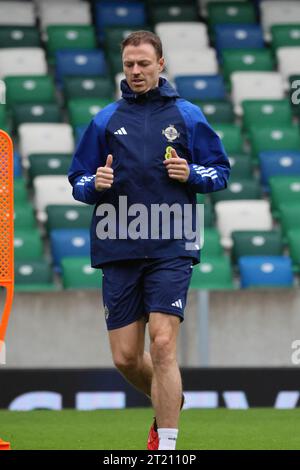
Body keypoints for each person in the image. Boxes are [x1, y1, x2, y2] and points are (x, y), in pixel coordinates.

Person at [68, 30, 230, 451]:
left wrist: (191, 174)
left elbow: (220, 172)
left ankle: (168, 445)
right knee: (124, 357)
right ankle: (170, 400)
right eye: (129, 65)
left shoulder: (188, 116)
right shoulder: (104, 120)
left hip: (170, 246)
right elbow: (78, 181)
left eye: (143, 63)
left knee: (161, 342)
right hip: (117, 245)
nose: (136, 71)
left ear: (161, 64)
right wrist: (94, 183)